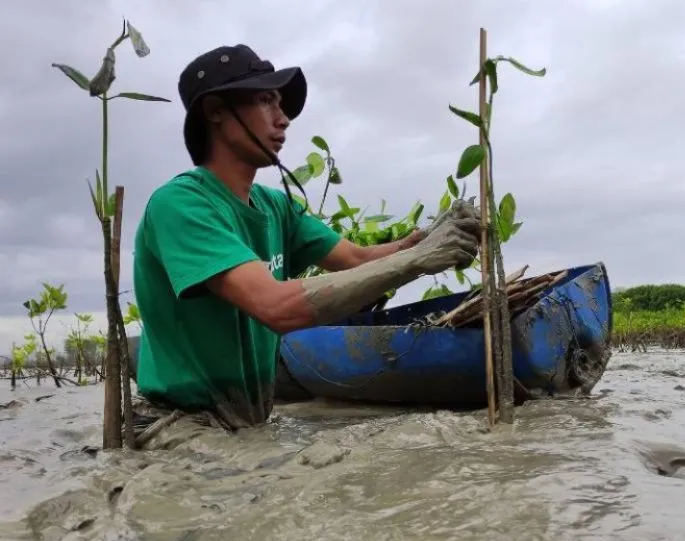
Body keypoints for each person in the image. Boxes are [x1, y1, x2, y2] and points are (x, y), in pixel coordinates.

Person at [131, 45, 482, 428]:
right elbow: (275, 307)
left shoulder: (275, 207)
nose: (283, 120)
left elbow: (355, 260)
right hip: (182, 423)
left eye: (281, 105)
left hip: (251, 416)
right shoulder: (180, 204)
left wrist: (426, 240)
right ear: (216, 111)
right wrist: (414, 260)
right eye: (266, 101)